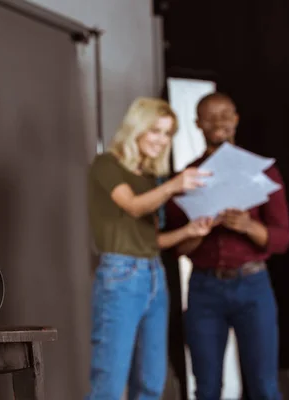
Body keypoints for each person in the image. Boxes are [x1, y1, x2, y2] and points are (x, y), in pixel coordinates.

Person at [164, 92, 289, 400]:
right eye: (210, 116)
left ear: (236, 119)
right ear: (197, 124)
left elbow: (283, 239)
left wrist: (248, 226)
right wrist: (199, 231)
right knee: (206, 389)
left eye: (225, 114)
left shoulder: (263, 173)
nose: (219, 121)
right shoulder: (186, 179)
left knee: (264, 386)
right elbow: (174, 248)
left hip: (253, 286)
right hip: (205, 290)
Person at [86, 97, 215, 400]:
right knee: (109, 384)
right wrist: (173, 186)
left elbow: (151, 240)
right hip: (120, 277)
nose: (162, 140)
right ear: (137, 128)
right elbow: (132, 206)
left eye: (168, 133)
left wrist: (189, 230)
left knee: (151, 384)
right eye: (156, 130)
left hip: (154, 275)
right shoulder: (107, 164)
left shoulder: (150, 179)